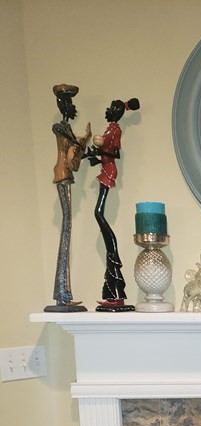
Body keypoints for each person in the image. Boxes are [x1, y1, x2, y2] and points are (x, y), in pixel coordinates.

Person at [87, 97, 140, 311]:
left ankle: (113, 253)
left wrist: (100, 152)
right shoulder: (110, 127)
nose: (110, 111)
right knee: (98, 213)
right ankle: (113, 260)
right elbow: (107, 155)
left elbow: (115, 153)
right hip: (104, 168)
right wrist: (96, 157)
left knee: (99, 213)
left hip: (109, 171)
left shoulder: (116, 130)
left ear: (118, 112)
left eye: (114, 109)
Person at [46, 84, 91, 312]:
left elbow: (77, 151)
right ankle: (62, 293)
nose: (70, 107)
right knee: (66, 229)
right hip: (63, 176)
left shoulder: (66, 128)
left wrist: (82, 142)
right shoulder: (61, 127)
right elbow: (73, 148)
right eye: (67, 103)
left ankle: (63, 293)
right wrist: (82, 141)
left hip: (65, 176)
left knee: (67, 230)